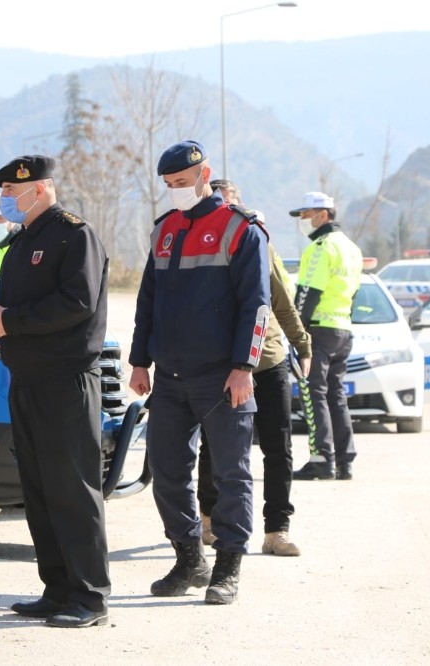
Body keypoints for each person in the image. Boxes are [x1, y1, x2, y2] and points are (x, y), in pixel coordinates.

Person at [0, 155, 110, 628]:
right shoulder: (24, 241)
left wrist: (12, 320)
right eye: (4, 189)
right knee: (40, 490)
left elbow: (77, 301)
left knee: (73, 489)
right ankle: (58, 587)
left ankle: (89, 596)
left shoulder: (74, 235)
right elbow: (16, 307)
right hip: (26, 379)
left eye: (13, 190)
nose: (6, 198)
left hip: (66, 381)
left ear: (39, 190)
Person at [129, 141, 270, 605]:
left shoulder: (240, 230)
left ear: (204, 174)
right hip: (168, 377)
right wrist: (139, 361)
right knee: (168, 472)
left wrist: (243, 367)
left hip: (222, 376)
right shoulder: (164, 230)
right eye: (169, 186)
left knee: (232, 474)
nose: (176, 192)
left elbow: (256, 306)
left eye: (183, 183)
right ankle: (189, 558)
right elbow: (147, 300)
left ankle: (228, 565)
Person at [195, 179, 312, 557]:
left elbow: (281, 301)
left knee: (278, 448)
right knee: (216, 446)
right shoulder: (202, 251)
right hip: (222, 365)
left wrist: (303, 344)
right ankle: (209, 519)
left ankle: (277, 529)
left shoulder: (258, 242)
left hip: (267, 360)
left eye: (229, 205)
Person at [289, 191, 363, 481]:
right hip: (343, 327)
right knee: (336, 395)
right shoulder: (351, 248)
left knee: (313, 393)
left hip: (318, 328)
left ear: (322, 215)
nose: (302, 221)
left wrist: (297, 330)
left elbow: (308, 292)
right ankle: (345, 461)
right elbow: (354, 292)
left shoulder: (321, 247)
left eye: (305, 215)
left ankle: (321, 458)